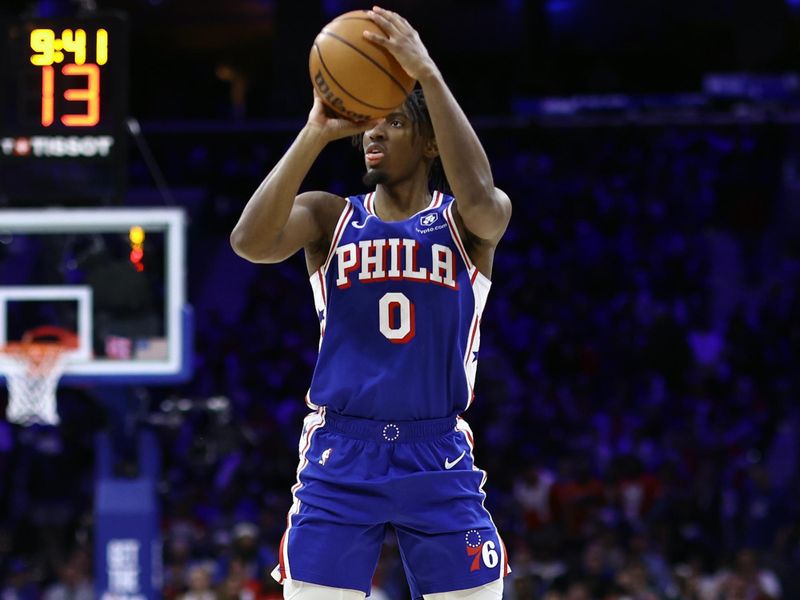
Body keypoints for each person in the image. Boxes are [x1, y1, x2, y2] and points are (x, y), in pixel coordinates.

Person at [230, 6, 512, 599]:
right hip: (341, 450)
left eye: (393, 124)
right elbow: (248, 243)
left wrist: (428, 76)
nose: (372, 134)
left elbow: (484, 197)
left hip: (436, 449)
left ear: (430, 140)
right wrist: (315, 131)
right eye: (368, 125)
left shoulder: (466, 223)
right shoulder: (329, 215)